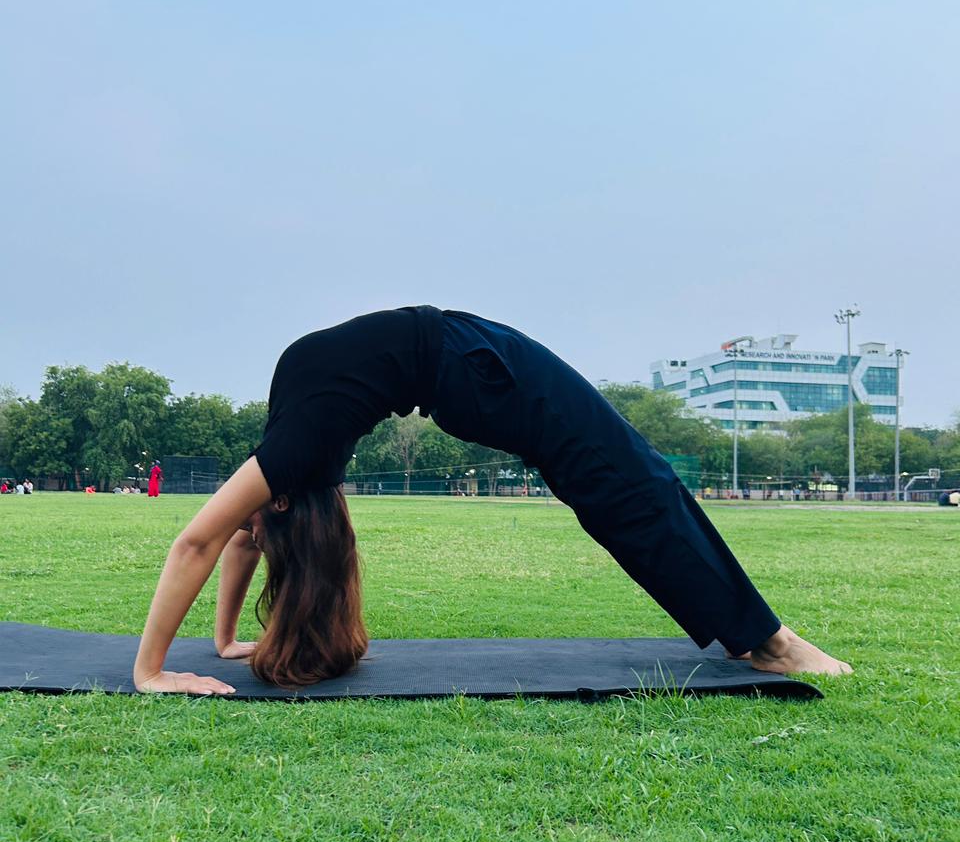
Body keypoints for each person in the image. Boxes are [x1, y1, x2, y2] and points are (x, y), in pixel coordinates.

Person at [133, 307, 852, 695]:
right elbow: (213, 542)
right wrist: (154, 672)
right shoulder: (295, 462)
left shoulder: (292, 461)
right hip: (479, 371)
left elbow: (222, 539)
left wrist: (213, 646)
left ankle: (763, 636)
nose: (245, 527)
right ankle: (773, 643)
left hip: (473, 368)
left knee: (632, 485)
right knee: (634, 486)